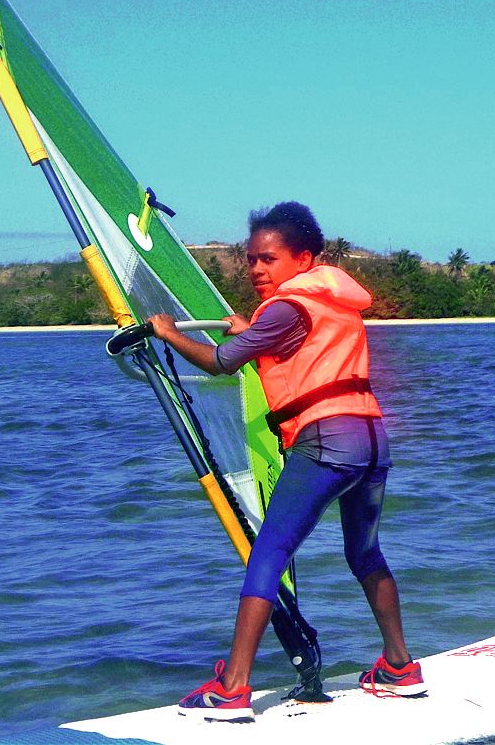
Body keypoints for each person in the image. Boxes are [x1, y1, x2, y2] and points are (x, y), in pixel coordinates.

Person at [149, 201, 422, 721]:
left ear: (303, 259)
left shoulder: (284, 308)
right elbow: (297, 350)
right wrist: (248, 329)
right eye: (251, 259)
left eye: (268, 259)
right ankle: (399, 667)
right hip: (371, 441)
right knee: (364, 552)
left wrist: (169, 333)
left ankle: (232, 688)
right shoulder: (330, 301)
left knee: (268, 553)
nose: (256, 269)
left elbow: (221, 363)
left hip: (326, 443)